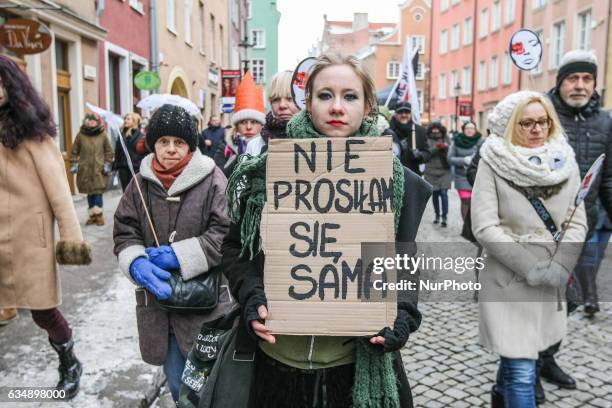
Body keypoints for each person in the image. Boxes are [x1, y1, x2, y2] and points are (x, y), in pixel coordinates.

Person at [222, 54, 431, 408]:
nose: (337, 107)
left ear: (368, 106)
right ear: (308, 103)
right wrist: (252, 295)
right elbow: (236, 250)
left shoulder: (395, 181)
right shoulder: (269, 171)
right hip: (277, 362)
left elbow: (403, 264)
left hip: (351, 366)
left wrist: (401, 317)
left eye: (349, 96)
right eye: (325, 96)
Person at [471, 91, 587, 408]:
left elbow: (576, 222)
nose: (537, 129)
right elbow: (484, 226)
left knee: (522, 356)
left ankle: (498, 396)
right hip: (507, 278)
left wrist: (561, 266)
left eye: (543, 121)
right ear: (511, 125)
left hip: (552, 279)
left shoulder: (565, 161)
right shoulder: (493, 161)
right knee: (522, 369)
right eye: (527, 122)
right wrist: (531, 268)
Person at [113, 104, 234, 404]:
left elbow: (225, 232)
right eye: (163, 142)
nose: (171, 149)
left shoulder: (213, 179)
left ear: (190, 146)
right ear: (153, 144)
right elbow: (125, 230)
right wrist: (136, 261)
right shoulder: (139, 185)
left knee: (207, 388)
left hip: (204, 308)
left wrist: (182, 255)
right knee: (178, 386)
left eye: (179, 142)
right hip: (160, 309)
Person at [0, 55, 92, 398]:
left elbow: (60, 192)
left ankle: (69, 361)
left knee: (43, 311)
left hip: (28, 238)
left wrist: (71, 238)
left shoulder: (33, 132)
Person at [549, 49, 612, 320]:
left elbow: (608, 179)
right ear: (560, 81)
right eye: (572, 78)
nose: (580, 85)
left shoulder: (604, 122)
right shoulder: (541, 112)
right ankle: (529, 359)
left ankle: (545, 356)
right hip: (540, 226)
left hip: (582, 225)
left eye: (587, 78)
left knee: (566, 300)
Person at [70, 113, 113, 226]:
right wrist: (74, 164)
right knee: (89, 193)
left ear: (97, 122)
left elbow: (109, 151)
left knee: (98, 192)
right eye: (89, 121)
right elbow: (74, 151)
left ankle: (99, 216)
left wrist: (107, 164)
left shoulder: (103, 135)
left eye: (94, 121)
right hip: (85, 170)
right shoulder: (80, 135)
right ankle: (92, 216)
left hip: (99, 169)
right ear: (86, 122)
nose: (91, 123)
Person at [448, 121, 483, 222]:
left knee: (475, 202)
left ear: (475, 129)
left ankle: (475, 224)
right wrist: (464, 160)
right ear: (463, 130)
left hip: (477, 177)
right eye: (467, 128)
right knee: (465, 200)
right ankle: (466, 226)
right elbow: (450, 159)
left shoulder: (481, 141)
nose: (469, 130)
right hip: (461, 176)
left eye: (472, 128)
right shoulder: (456, 141)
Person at [388, 101, 430, 175]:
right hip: (392, 175)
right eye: (400, 112)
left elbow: (427, 153)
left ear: (410, 114)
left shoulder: (420, 131)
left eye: (407, 112)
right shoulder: (388, 131)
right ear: (395, 114)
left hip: (413, 174)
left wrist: (420, 155)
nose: (404, 115)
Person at [423, 122, 452, 227]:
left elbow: (451, 149)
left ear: (440, 129)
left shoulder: (445, 137)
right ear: (431, 130)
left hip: (445, 170)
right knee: (434, 194)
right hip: (430, 171)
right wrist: (437, 148)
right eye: (433, 129)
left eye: (437, 129)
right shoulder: (426, 138)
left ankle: (444, 217)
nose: (435, 131)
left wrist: (445, 147)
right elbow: (426, 153)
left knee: (444, 193)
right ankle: (437, 215)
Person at [261, 70, 300, 141]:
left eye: (289, 98)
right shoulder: (255, 145)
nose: (282, 105)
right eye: (276, 99)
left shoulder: (319, 138)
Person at [113, 112, 145, 191]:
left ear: (134, 121)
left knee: (135, 190)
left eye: (128, 119)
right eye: (125, 119)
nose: (125, 121)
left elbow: (143, 152)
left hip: (135, 167)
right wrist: (116, 164)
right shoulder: (121, 134)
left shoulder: (141, 136)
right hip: (123, 167)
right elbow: (117, 151)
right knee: (126, 191)